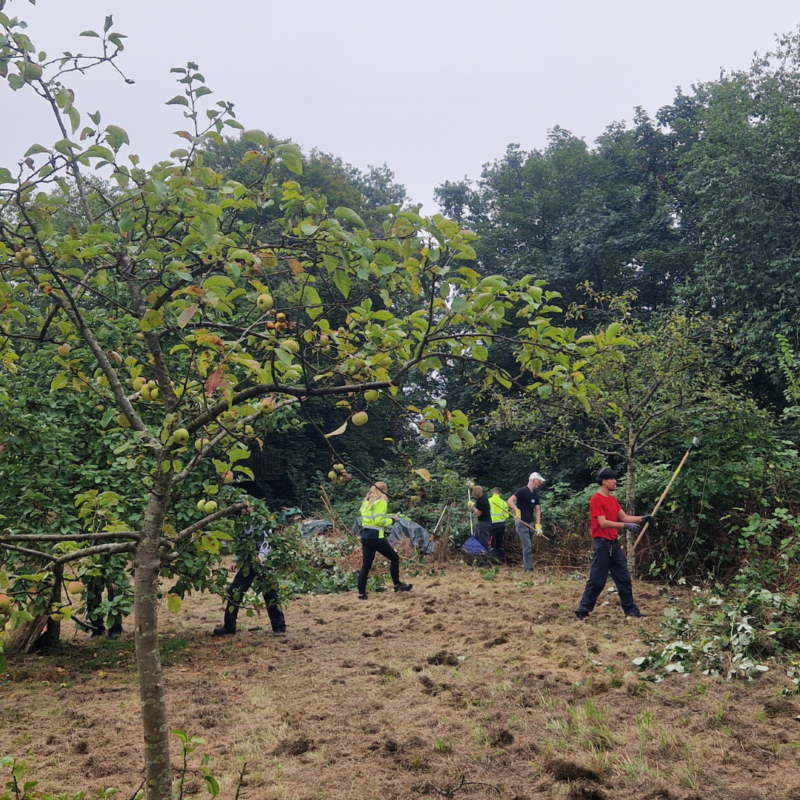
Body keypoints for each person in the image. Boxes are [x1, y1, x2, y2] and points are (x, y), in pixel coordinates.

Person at [574, 468, 654, 620]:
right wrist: (625, 527)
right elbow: (603, 523)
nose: (615, 481)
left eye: (615, 479)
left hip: (614, 545)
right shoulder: (596, 499)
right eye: (612, 479)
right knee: (597, 580)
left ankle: (631, 611)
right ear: (604, 481)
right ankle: (582, 610)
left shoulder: (613, 500)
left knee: (624, 578)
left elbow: (624, 517)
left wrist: (643, 518)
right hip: (602, 546)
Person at [214, 505, 286, 636]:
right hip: (248, 564)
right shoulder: (242, 525)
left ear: (254, 509)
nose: (244, 510)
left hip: (263, 563)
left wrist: (261, 555)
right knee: (234, 591)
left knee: (270, 593)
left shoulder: (262, 522)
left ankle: (279, 628)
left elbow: (267, 541)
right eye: (243, 507)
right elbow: (243, 545)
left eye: (247, 507)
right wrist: (237, 560)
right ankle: (229, 627)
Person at [357, 481, 413, 600]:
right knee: (394, 558)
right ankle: (397, 585)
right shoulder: (381, 501)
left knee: (366, 566)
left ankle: (361, 594)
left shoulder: (366, 502)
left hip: (365, 536)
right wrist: (392, 521)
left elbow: (369, 519)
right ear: (383, 490)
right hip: (376, 536)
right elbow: (379, 521)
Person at [507, 472, 545, 571]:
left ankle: (527, 566)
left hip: (530, 523)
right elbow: (510, 501)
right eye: (538, 482)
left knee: (530, 547)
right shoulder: (522, 491)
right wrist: (517, 511)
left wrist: (538, 525)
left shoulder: (535, 495)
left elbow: (537, 510)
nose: (539, 484)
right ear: (533, 480)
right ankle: (529, 569)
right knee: (527, 546)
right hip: (521, 523)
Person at [489, 487, 511, 557]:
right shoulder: (504, 503)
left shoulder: (488, 501)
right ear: (500, 494)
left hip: (492, 523)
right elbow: (506, 515)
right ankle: (501, 556)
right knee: (500, 540)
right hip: (501, 524)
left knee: (491, 540)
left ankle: (490, 556)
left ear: (493, 493)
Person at [470, 485, 492, 555]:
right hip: (481, 522)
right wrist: (472, 486)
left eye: (476, 496)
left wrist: (472, 507)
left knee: (484, 542)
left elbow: (478, 513)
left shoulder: (482, 501)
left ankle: (487, 560)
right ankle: (479, 557)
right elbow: (477, 489)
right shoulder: (483, 494)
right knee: (477, 540)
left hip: (484, 523)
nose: (476, 497)